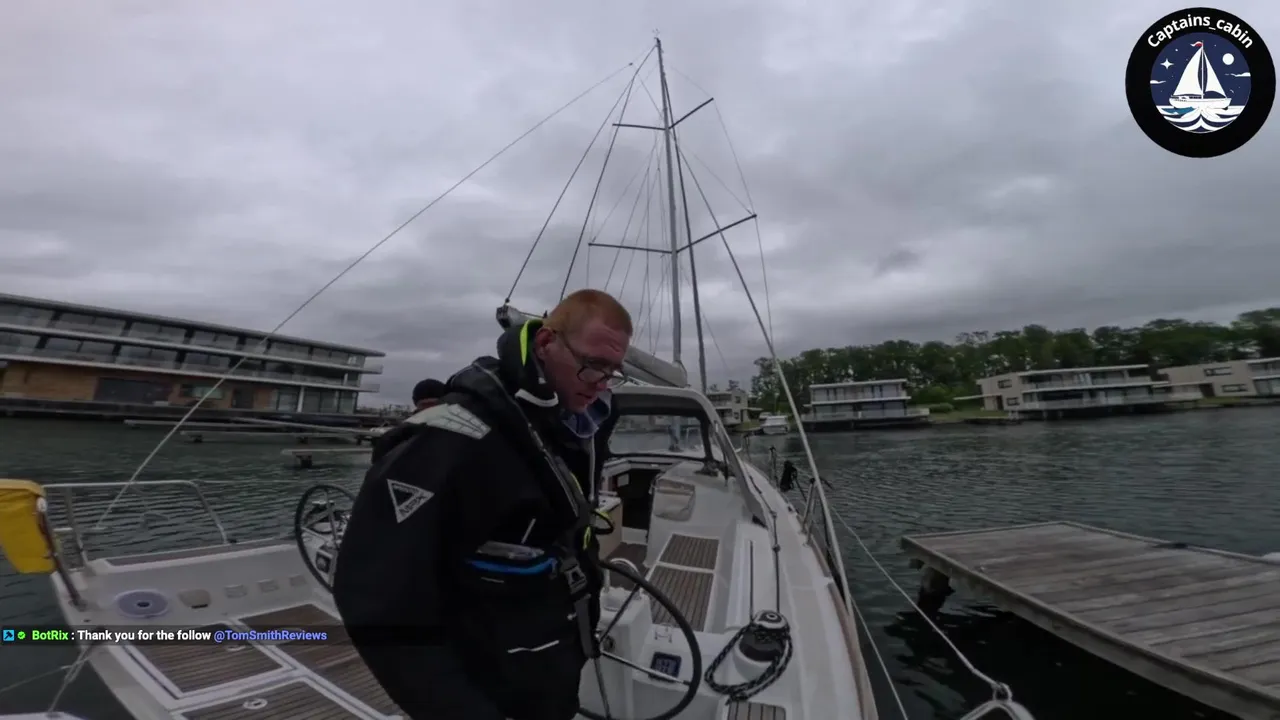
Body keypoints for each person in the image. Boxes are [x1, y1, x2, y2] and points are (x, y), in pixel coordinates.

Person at [333, 288, 630, 720]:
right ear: (546, 343)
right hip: (486, 693)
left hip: (550, 677)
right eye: (593, 365)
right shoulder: (449, 440)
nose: (601, 383)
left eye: (612, 372)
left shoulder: (571, 428)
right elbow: (376, 601)